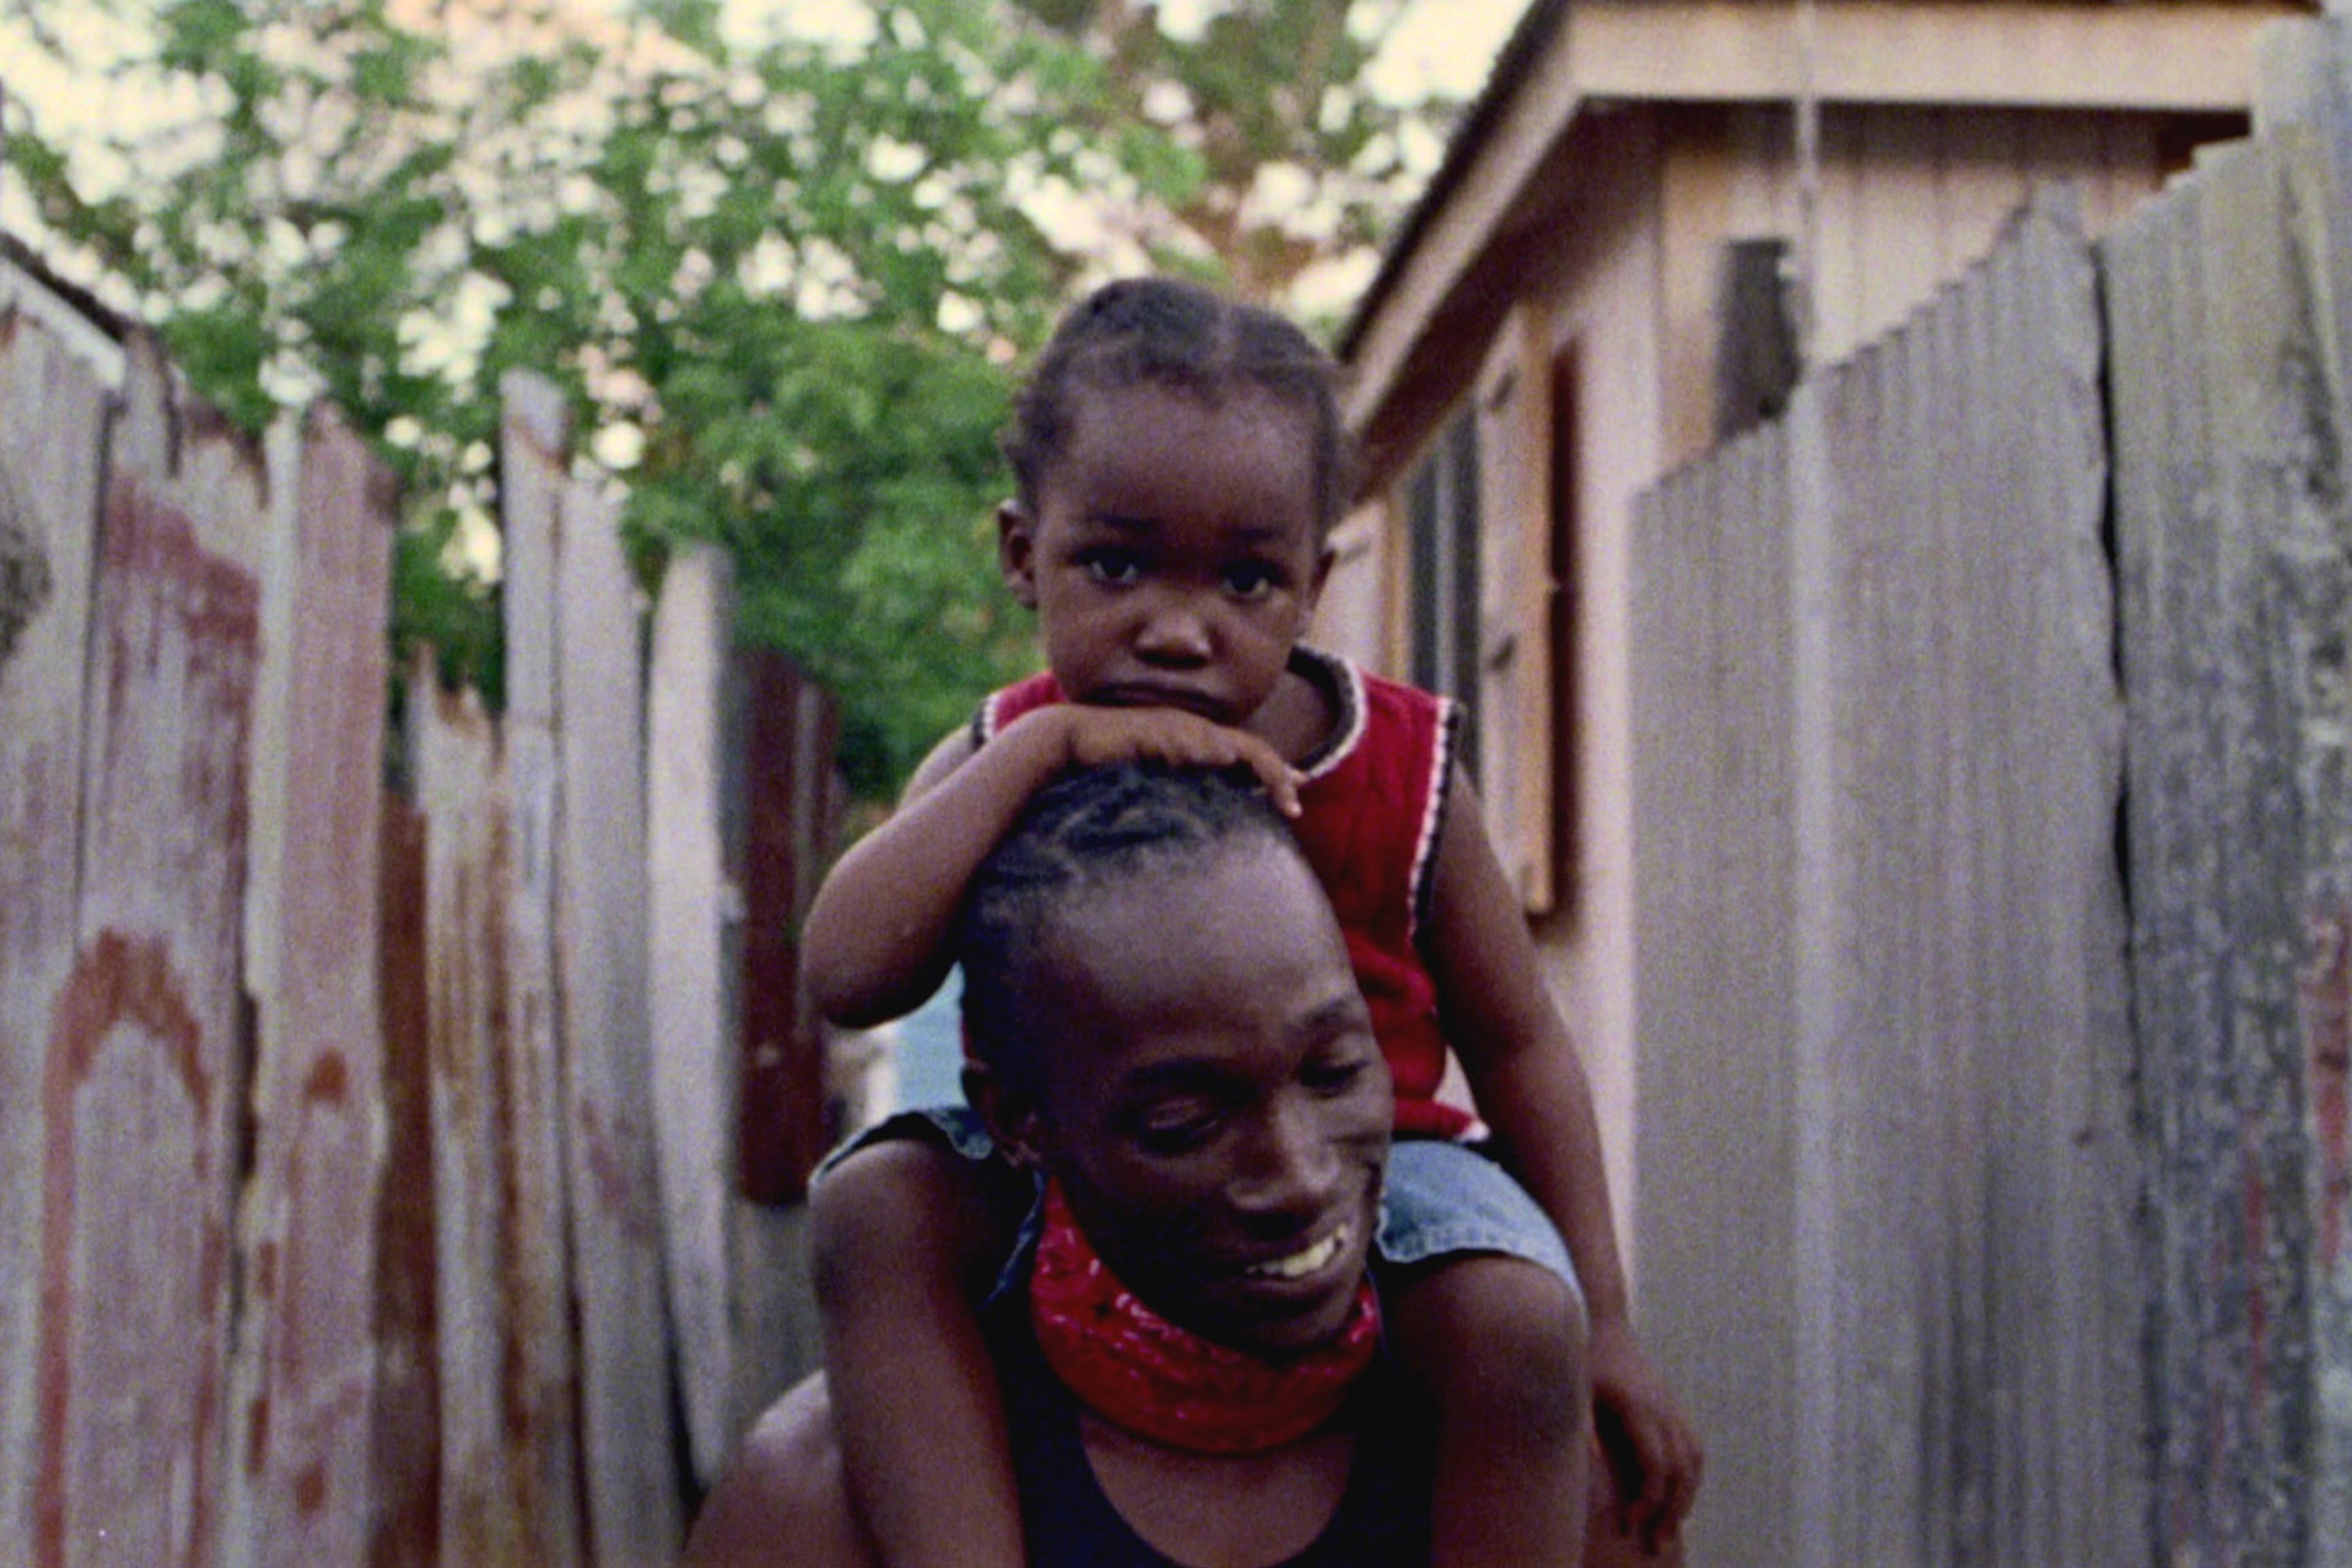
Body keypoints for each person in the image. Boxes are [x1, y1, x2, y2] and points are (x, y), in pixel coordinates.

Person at [800, 276, 1703, 1566]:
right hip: (1081, 1161)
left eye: (1244, 577)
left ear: (1312, 581)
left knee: (1516, 1321)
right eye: (1113, 564)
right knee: (873, 1204)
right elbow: (844, 967)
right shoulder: (1012, 745)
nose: (1176, 627)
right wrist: (1046, 749)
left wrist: (1606, 1315)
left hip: (1378, 1158)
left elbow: (1518, 1042)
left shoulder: (1393, 765)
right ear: (1020, 553)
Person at [688, 764, 1435, 1566]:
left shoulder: (1501, 1448)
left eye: (1336, 1073)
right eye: (1182, 1123)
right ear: (1020, 1123)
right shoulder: (821, 1504)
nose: (1300, 1176)